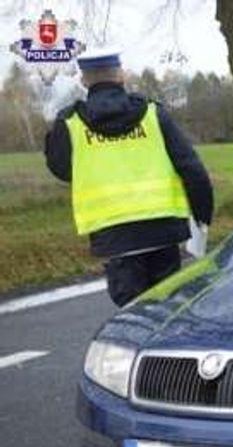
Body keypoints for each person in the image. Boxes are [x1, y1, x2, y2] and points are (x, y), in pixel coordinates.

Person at [44, 49, 213, 306]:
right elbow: (192, 169)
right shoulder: (153, 114)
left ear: (84, 80)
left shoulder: (70, 122)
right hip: (163, 231)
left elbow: (61, 169)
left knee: (133, 316)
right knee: (168, 310)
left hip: (114, 236)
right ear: (121, 76)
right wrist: (202, 215)